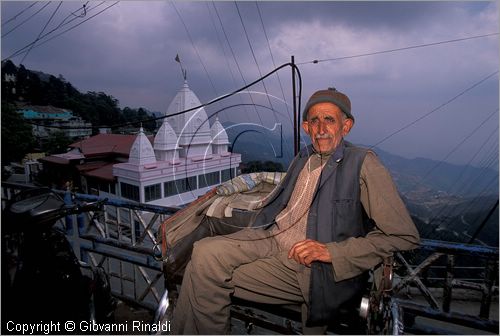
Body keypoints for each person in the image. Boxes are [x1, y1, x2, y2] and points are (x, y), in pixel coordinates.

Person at [171, 87, 420, 334]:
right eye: (315, 121)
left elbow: (403, 236)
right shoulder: (304, 157)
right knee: (202, 251)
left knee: (201, 273)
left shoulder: (363, 163)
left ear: (346, 126)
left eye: (329, 120)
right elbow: (283, 201)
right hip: (271, 238)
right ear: (306, 127)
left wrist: (331, 251)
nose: (321, 129)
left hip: (312, 269)